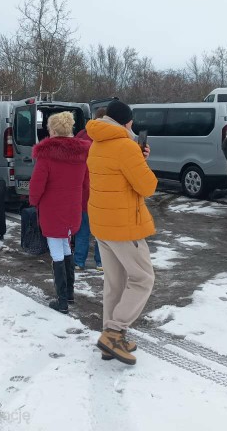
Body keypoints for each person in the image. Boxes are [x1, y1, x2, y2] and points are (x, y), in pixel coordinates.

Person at [86, 100, 157, 366]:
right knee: (143, 279)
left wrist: (139, 158)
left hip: (102, 222)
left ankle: (110, 340)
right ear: (127, 122)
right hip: (123, 224)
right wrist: (140, 160)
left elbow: (117, 175)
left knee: (114, 283)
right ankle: (115, 332)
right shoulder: (126, 146)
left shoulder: (97, 143)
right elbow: (147, 186)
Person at [29, 111, 90, 313]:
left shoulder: (46, 156)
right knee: (66, 247)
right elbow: (86, 184)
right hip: (73, 208)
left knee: (56, 250)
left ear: (53, 131)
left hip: (52, 209)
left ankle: (62, 300)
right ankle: (69, 294)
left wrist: (33, 201)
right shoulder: (82, 154)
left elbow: (37, 185)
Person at [72, 107, 105, 271]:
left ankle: (79, 261)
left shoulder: (81, 136)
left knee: (82, 230)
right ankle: (101, 262)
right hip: (101, 192)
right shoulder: (108, 139)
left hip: (83, 191)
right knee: (101, 232)